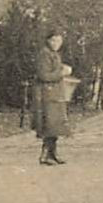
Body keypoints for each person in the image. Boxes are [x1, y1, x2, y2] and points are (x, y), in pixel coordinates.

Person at [32, 32, 74, 165]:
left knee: (54, 125)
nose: (57, 43)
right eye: (54, 40)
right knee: (49, 125)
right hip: (47, 95)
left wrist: (62, 68)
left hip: (55, 95)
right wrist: (62, 72)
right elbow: (44, 75)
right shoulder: (44, 54)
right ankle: (45, 156)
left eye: (59, 41)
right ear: (48, 40)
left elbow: (52, 70)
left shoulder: (53, 54)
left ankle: (52, 154)